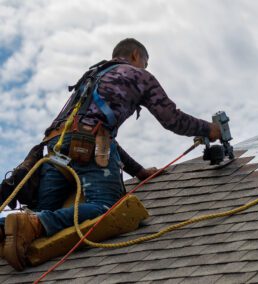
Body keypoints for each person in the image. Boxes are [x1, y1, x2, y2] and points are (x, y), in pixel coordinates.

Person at [0, 38, 221, 270]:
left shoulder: (92, 75)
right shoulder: (138, 75)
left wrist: (138, 171)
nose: (145, 68)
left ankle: (8, 226)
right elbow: (172, 119)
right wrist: (210, 129)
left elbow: (100, 134)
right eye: (145, 63)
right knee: (106, 209)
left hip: (54, 149)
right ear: (136, 55)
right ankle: (34, 223)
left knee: (39, 215)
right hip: (87, 148)